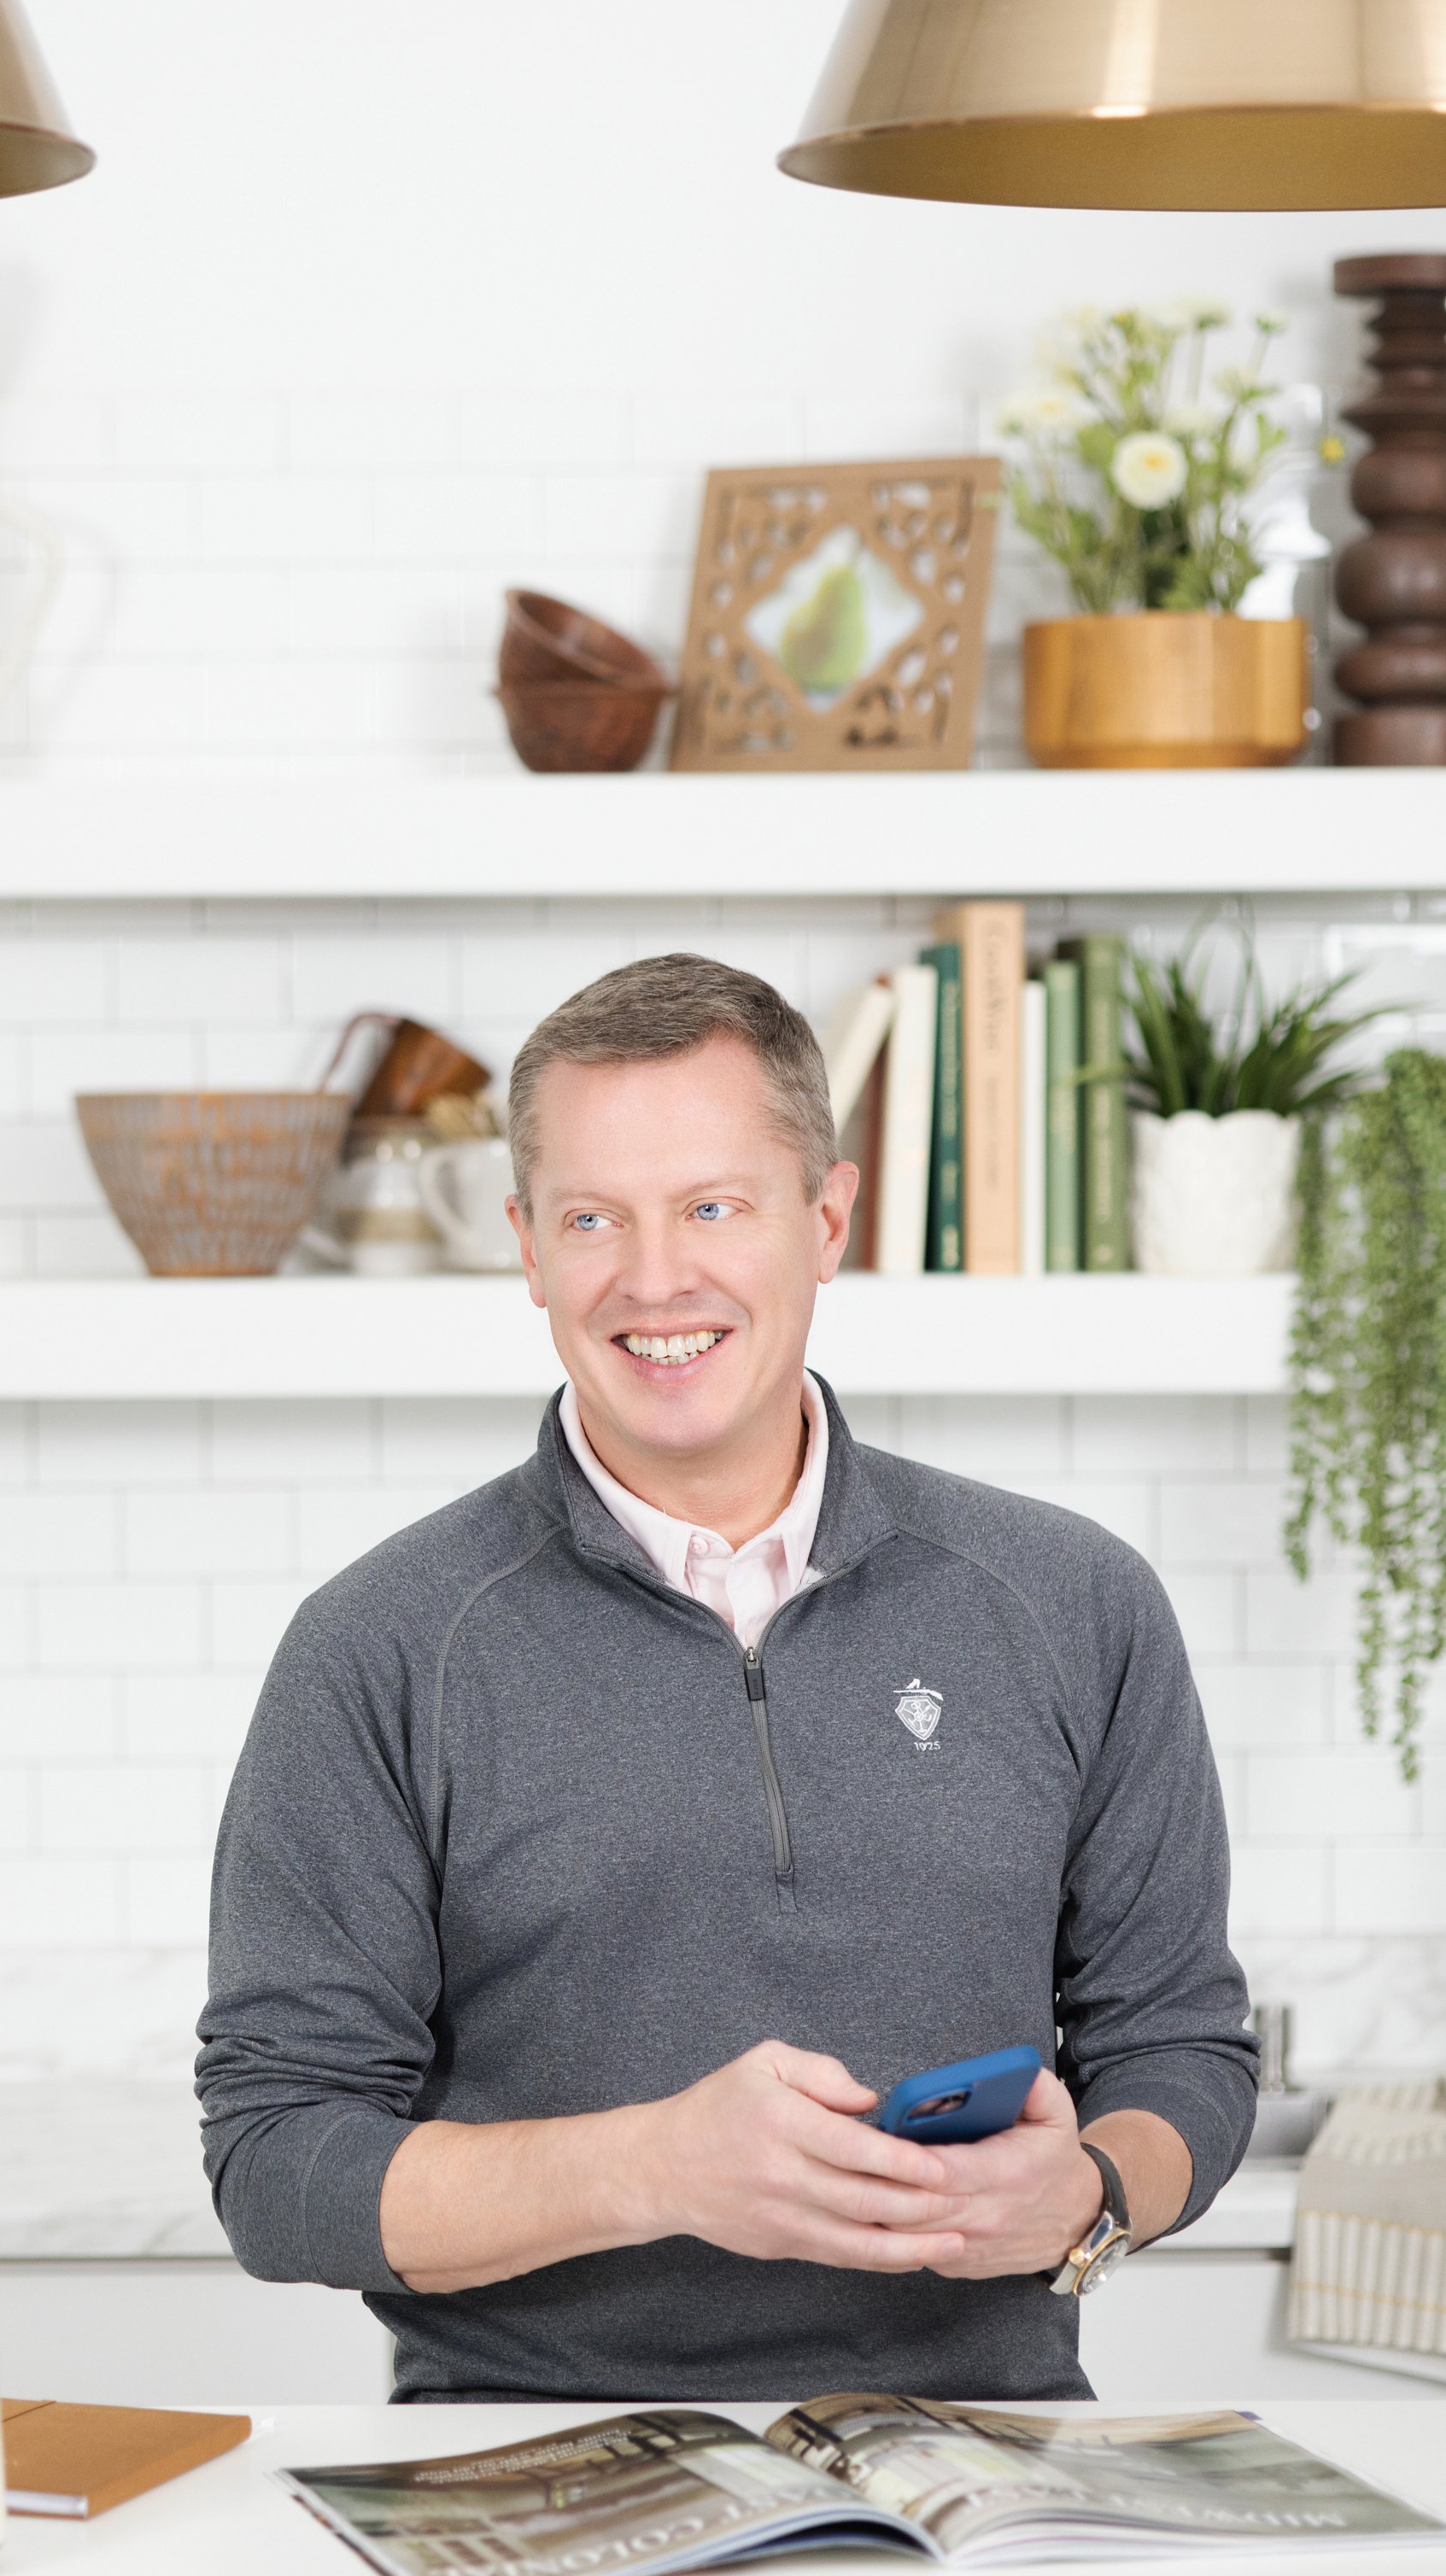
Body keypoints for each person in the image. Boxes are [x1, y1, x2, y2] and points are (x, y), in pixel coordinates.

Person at [197, 955, 1256, 2402]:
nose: (653, 1279)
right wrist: (653, 2168)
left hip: (982, 2457)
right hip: (528, 2466)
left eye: (711, 1206)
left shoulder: (1073, 1603)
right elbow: (277, 2164)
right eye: (592, 1219)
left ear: (825, 1219)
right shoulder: (380, 1647)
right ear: (524, 1248)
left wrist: (1090, 2196)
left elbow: (1180, 2047)